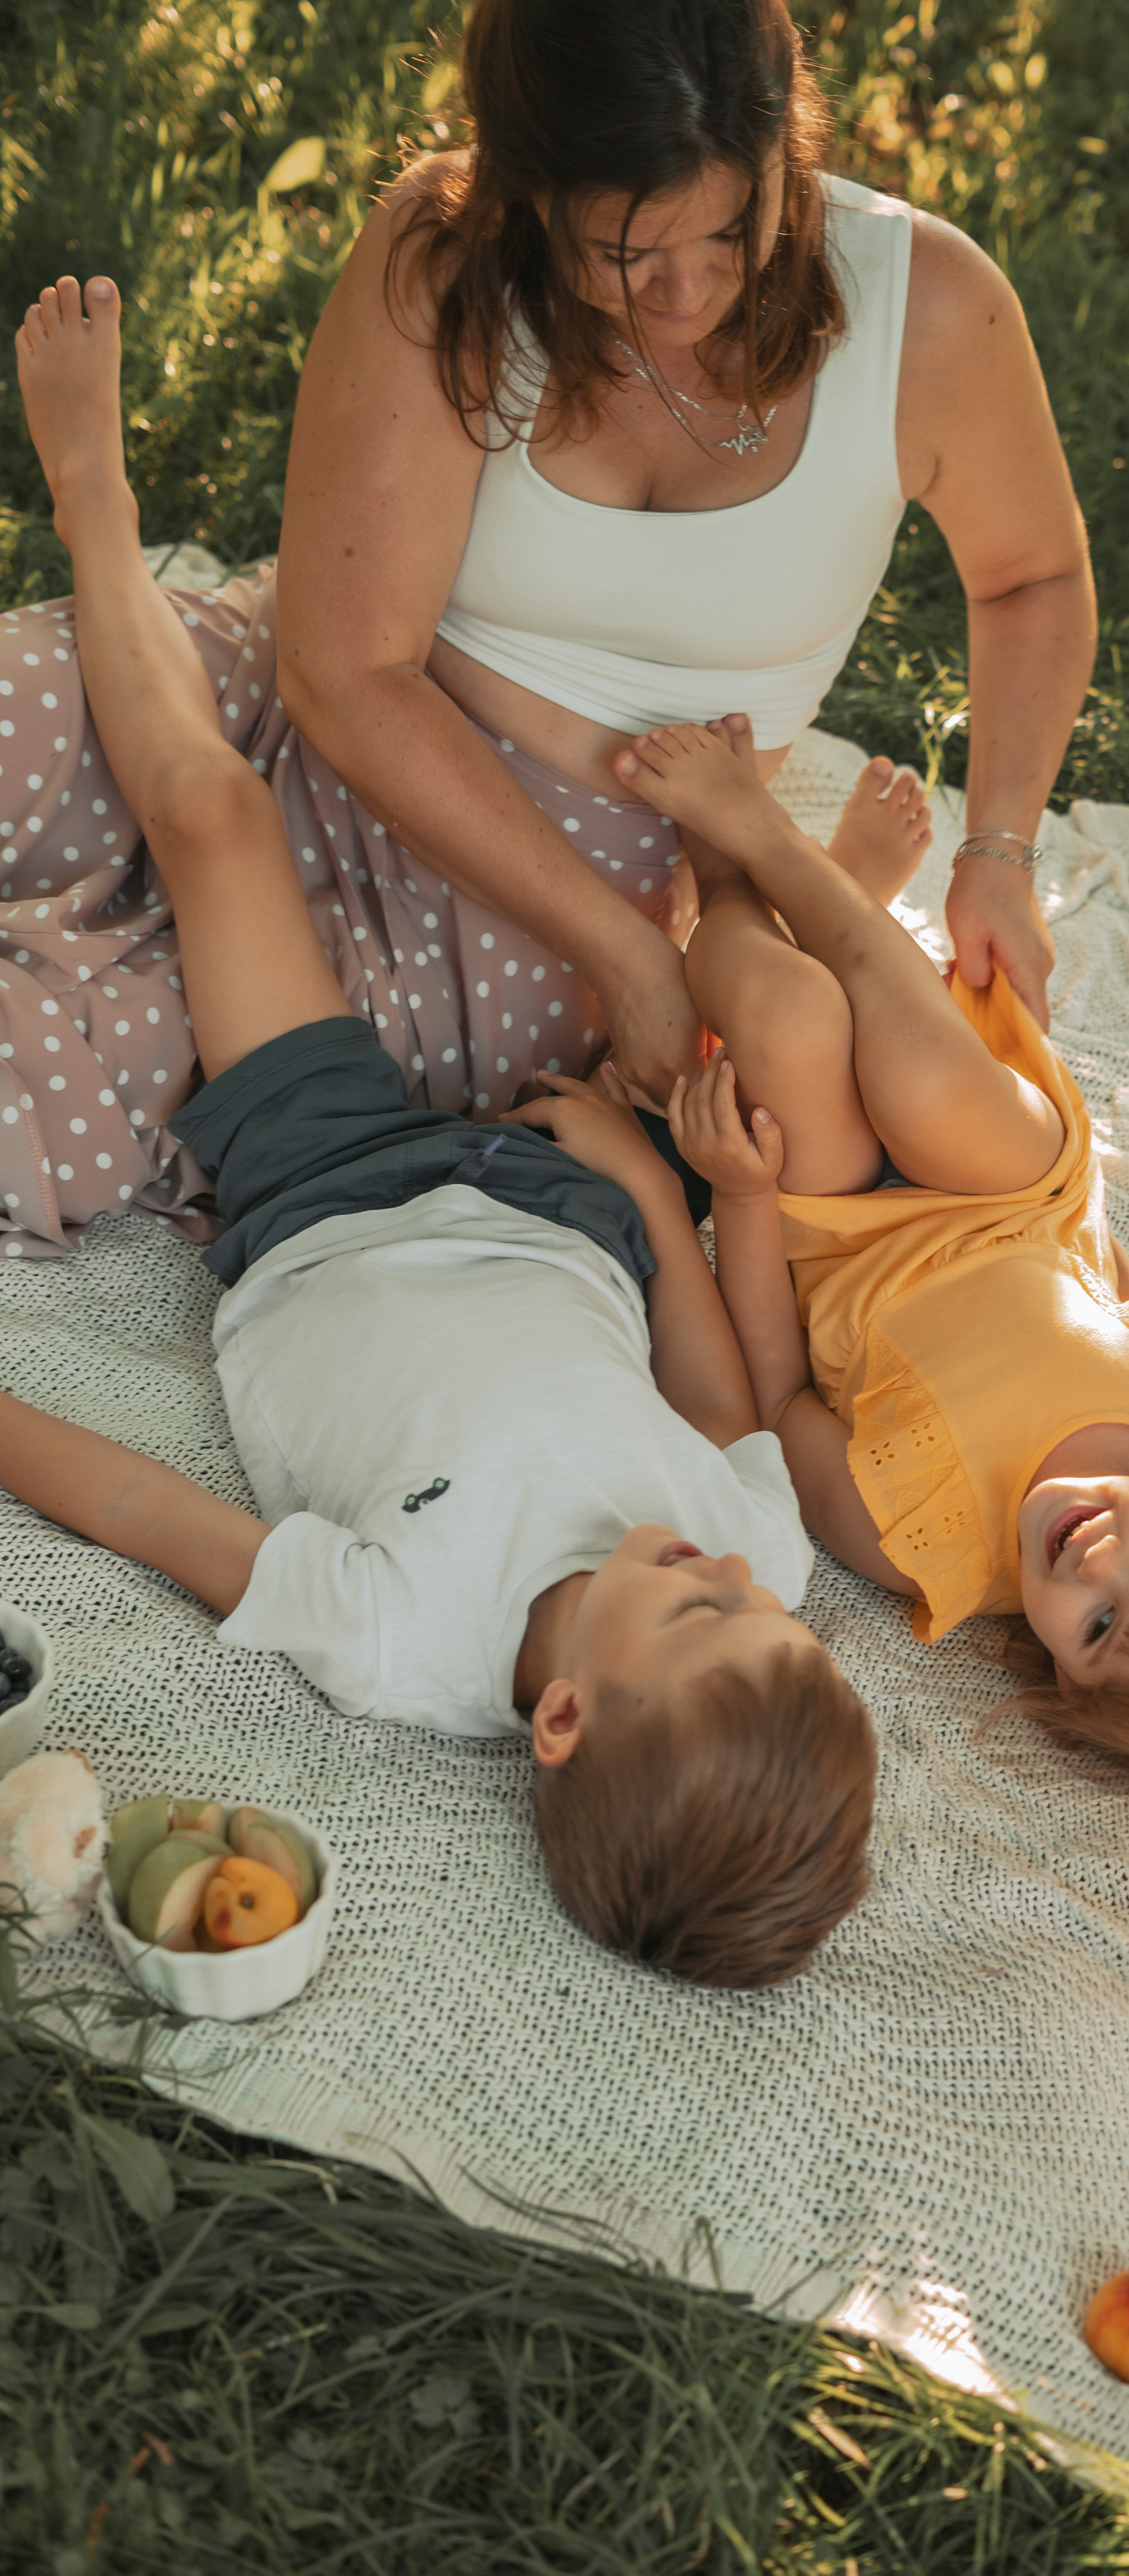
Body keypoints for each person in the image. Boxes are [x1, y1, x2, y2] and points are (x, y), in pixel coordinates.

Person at [0, 277, 875, 1988]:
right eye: (755, 1606)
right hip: (560, 1197)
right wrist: (638, 1183)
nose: (724, 1569)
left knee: (217, 822)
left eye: (699, 1615)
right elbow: (713, 1403)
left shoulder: (400, 1639)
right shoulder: (752, 1561)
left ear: (556, 1716)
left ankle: (92, 494)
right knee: (611, 890)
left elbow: (141, 1512)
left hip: (317, 1189)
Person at [0, 0, 1095, 1258]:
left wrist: (998, 850)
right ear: (524, 191)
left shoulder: (930, 309)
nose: (684, 290)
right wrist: (635, 962)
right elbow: (342, 669)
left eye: (733, 229)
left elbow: (1033, 579)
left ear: (785, 137)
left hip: (522, 906)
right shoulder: (447, 247)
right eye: (622, 253)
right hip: (286, 708)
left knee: (56, 1073)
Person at [618, 714, 1129, 1920]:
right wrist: (1052, 1191)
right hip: (1004, 1191)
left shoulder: (919, 1545)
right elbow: (1104, 1277)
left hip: (842, 1232)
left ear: (1065, 1684)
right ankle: (783, 851)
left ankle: (737, 878)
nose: (1098, 1558)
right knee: (928, 1079)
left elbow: (774, 1397)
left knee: (788, 1025)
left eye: (1097, 1625)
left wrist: (742, 1192)